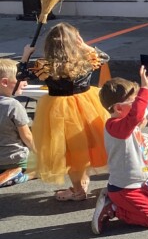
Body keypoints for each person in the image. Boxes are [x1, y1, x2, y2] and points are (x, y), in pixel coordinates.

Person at [24, 23, 109, 201]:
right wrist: (85, 45)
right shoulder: (87, 58)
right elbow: (105, 57)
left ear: (49, 45)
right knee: (87, 144)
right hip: (88, 105)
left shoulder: (44, 65)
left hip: (58, 110)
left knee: (70, 151)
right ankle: (82, 181)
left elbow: (20, 75)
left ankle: (78, 190)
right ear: (75, 42)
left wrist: (26, 55)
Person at [91, 69, 148, 235]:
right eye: (133, 103)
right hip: (125, 188)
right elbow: (135, 115)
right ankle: (113, 208)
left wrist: (140, 91)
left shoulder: (127, 124)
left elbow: (139, 113)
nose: (138, 108)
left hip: (139, 183)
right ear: (119, 108)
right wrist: (145, 89)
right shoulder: (115, 126)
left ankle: (115, 204)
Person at [0, 57, 34, 186]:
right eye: (21, 79)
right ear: (4, 82)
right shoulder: (12, 105)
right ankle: (21, 175)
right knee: (49, 165)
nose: (26, 83)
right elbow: (27, 136)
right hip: (13, 158)